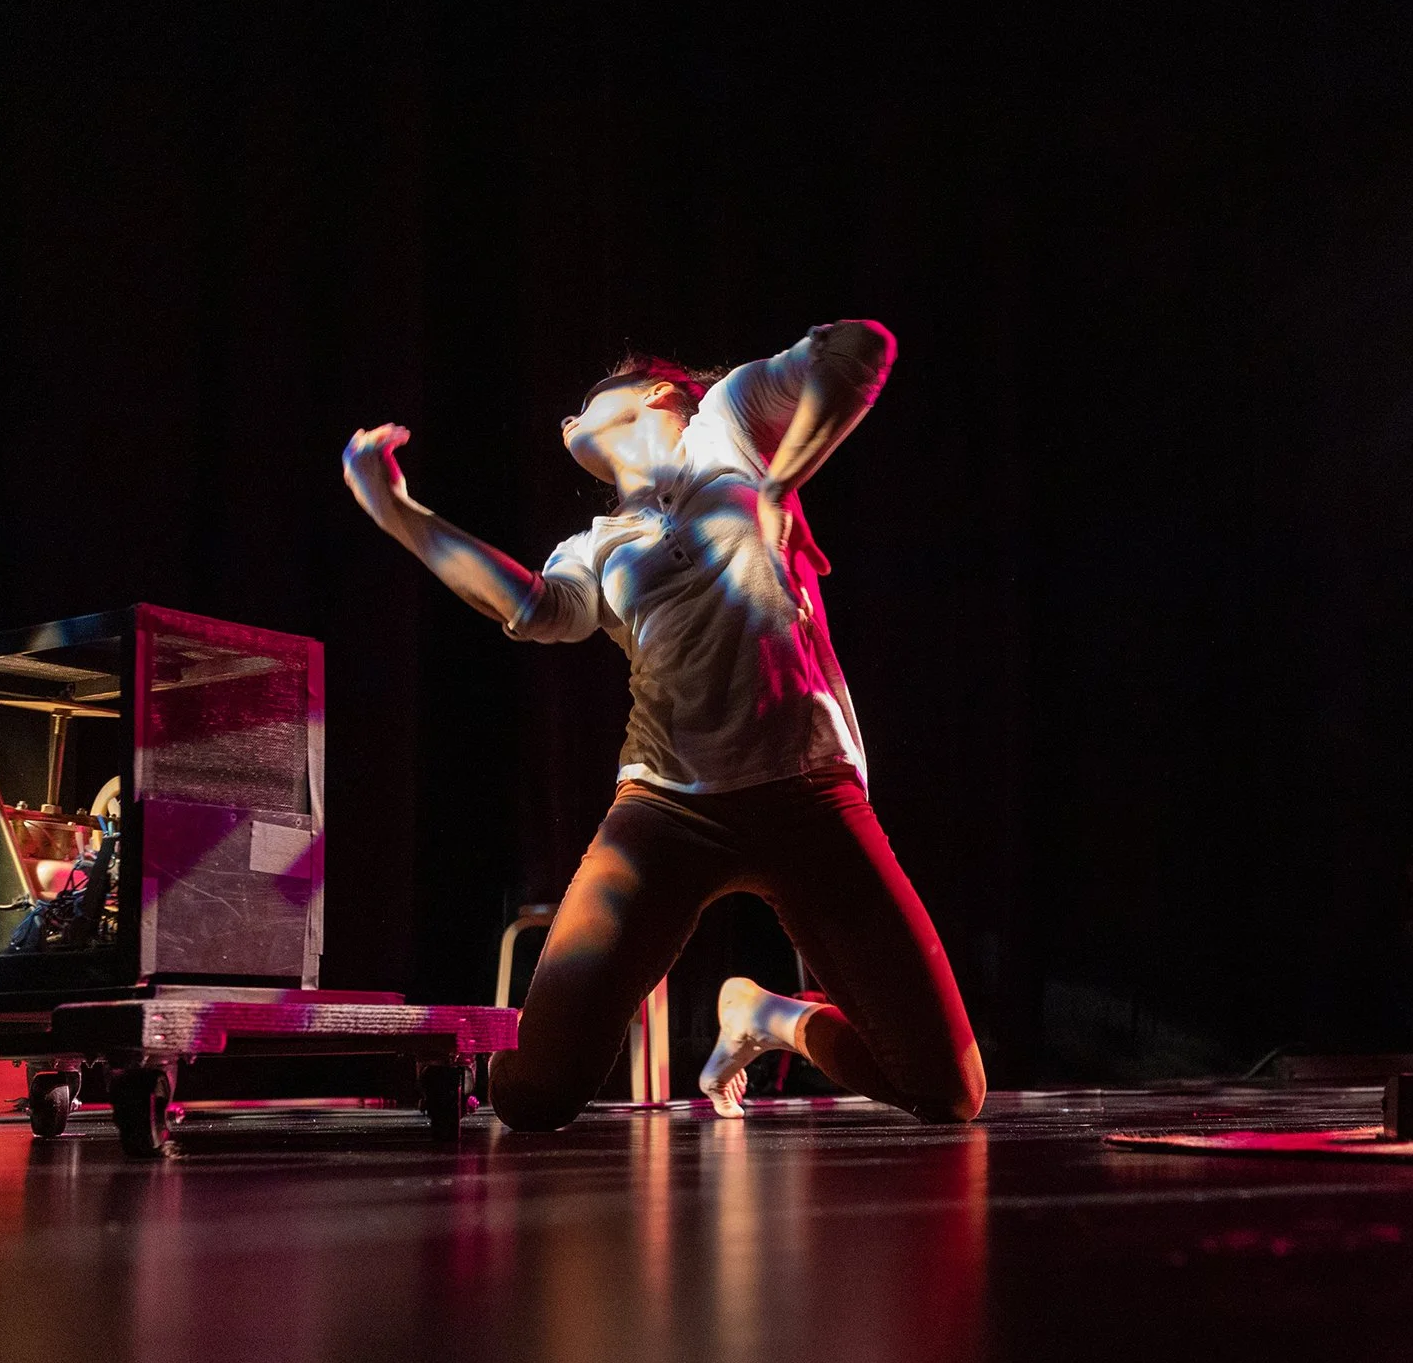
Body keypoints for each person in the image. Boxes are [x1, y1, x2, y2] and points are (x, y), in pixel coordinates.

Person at [342, 321, 985, 1130]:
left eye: (587, 399)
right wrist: (394, 509)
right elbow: (535, 609)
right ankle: (708, 1020)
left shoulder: (730, 420)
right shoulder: (597, 544)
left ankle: (767, 1016)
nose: (567, 419)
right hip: (665, 811)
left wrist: (781, 485)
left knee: (948, 1093)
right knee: (535, 1095)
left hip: (810, 797)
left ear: (654, 394)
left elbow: (861, 348)